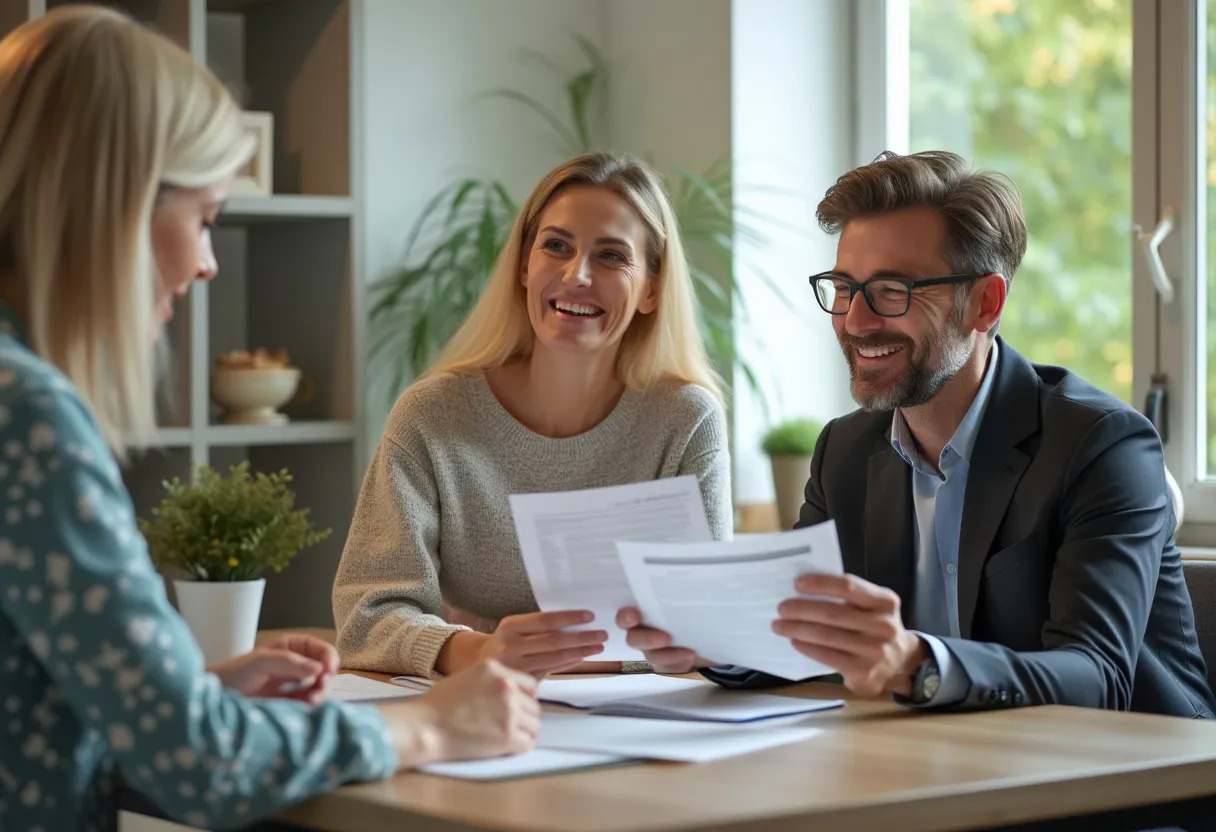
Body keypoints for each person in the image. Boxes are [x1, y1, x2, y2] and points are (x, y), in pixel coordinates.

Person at [0, 9, 540, 831]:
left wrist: (192, 691)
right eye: (205, 218)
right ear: (116, 202)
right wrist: (432, 724)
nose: (207, 262)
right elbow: (201, 765)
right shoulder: (28, 417)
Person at [620, 150, 1216, 717]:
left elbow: (1098, 677)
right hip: (947, 772)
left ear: (984, 303)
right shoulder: (845, 452)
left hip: (1128, 788)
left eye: (890, 292)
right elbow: (806, 638)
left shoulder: (1101, 446)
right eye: (844, 288)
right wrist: (719, 645)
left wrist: (918, 664)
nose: (854, 320)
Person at [333, 151, 731, 680]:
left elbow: (707, 625)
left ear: (652, 290)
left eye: (611, 256)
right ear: (524, 265)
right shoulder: (433, 416)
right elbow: (367, 616)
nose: (577, 275)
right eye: (556, 246)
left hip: (639, 722)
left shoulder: (685, 420)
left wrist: (520, 646)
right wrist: (478, 651)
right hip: (477, 709)